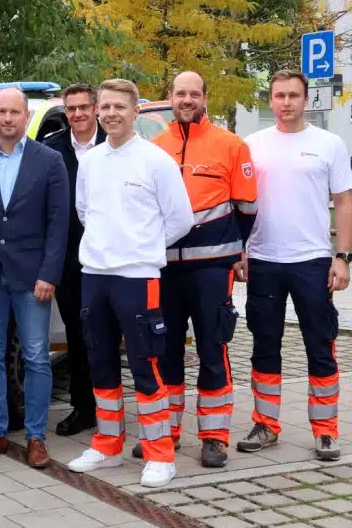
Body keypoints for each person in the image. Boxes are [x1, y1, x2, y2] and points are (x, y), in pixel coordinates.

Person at [66, 79, 193, 489]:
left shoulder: (155, 161)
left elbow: (180, 219)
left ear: (136, 111)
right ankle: (107, 445)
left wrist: (143, 246)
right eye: (105, 107)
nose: (111, 113)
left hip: (138, 277)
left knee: (145, 364)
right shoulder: (91, 161)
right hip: (95, 276)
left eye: (119, 106)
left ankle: (160, 455)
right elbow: (85, 211)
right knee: (100, 362)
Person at [138, 71, 258, 468]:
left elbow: (247, 209)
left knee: (212, 348)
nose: (186, 99)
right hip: (165, 269)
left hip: (212, 270)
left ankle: (214, 437)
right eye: (179, 93)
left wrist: (231, 252)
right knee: (166, 351)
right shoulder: (154, 147)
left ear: (205, 98)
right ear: (170, 98)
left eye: (194, 93)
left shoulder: (231, 145)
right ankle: (168, 433)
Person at [238, 69, 352, 462]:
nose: (285, 103)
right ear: (269, 101)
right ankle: (265, 425)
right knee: (264, 345)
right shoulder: (252, 145)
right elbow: (240, 204)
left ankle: (325, 431)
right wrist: (240, 251)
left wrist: (342, 257)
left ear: (306, 100)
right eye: (278, 96)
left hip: (313, 262)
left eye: (293, 95)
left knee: (320, 345)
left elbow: (343, 204)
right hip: (264, 260)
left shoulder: (329, 143)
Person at [0, 87, 68, 469]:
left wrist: (49, 273)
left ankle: (36, 437)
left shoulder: (49, 161)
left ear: (25, 116)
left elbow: (59, 222)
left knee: (37, 357)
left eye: (14, 112)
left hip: (32, 277)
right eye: (1, 112)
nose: (7, 119)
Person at [43, 83, 106, 438]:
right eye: (72, 109)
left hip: (110, 257)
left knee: (109, 334)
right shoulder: (51, 150)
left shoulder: (114, 143)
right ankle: (84, 408)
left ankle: (112, 406)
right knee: (78, 336)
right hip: (69, 260)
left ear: (96, 108)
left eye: (84, 107)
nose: (78, 114)